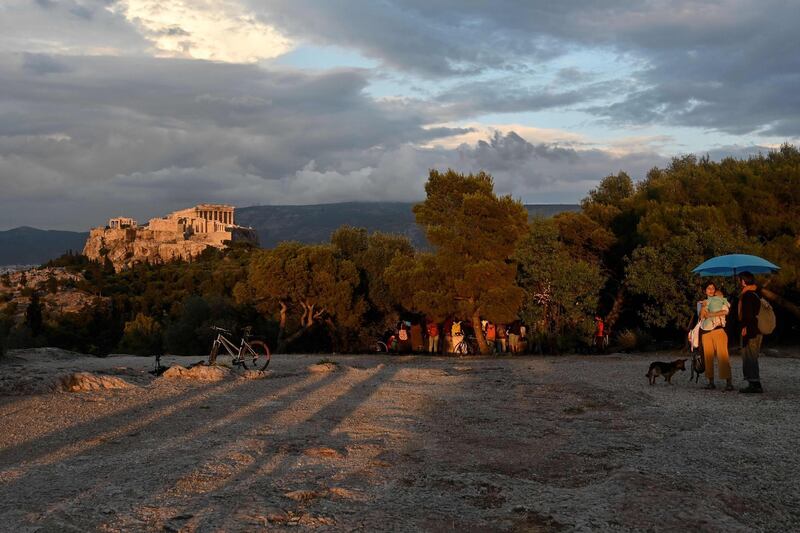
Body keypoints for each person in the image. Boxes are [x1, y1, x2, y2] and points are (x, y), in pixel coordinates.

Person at [699, 281, 733, 391]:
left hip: (719, 331)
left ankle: (729, 383)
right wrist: (704, 307)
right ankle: (710, 382)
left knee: (723, 357)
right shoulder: (701, 303)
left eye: (712, 288)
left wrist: (711, 314)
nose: (711, 290)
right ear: (705, 290)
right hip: (706, 333)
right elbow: (701, 317)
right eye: (708, 288)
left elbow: (725, 311)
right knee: (708, 357)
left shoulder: (720, 300)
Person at [738, 271, 764, 393]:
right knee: (752, 356)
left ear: (743, 281)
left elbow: (748, 315)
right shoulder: (756, 294)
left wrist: (745, 328)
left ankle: (754, 383)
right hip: (757, 330)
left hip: (751, 331)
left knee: (750, 356)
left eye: (740, 280)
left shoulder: (747, 295)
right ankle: (754, 382)